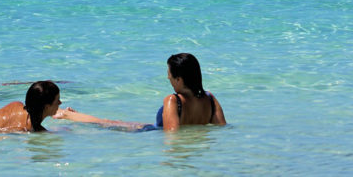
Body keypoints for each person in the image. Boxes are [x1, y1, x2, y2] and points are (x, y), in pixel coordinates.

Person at [54, 52, 226, 132]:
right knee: (115, 122)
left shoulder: (173, 100)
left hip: (148, 133)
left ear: (179, 79)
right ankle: (70, 115)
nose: (168, 79)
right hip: (154, 130)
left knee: (106, 122)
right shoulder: (210, 99)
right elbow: (222, 129)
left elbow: (171, 136)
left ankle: (66, 115)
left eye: (169, 75)